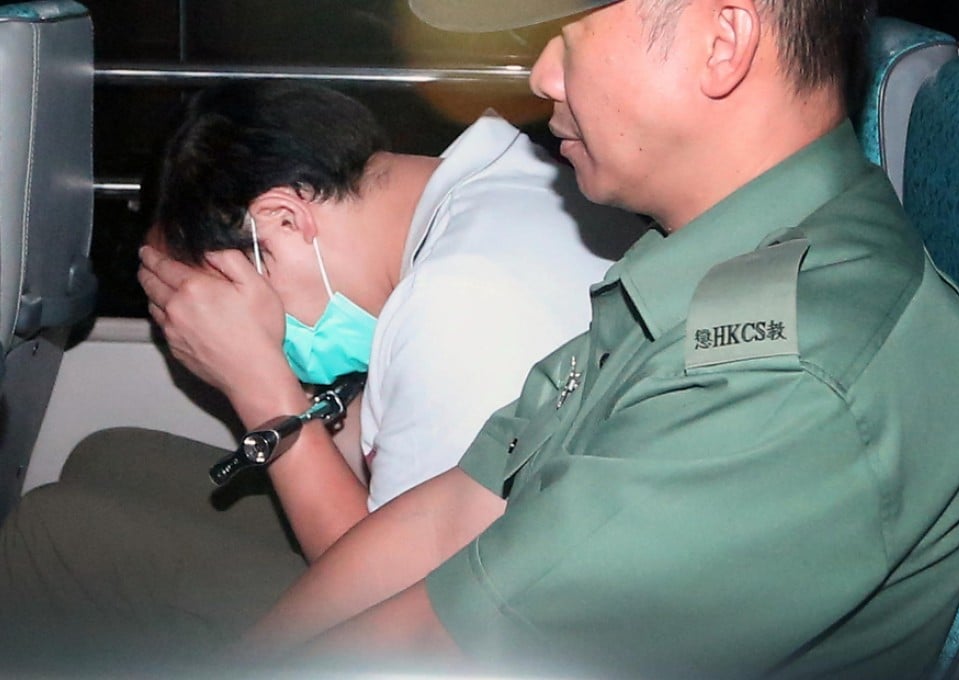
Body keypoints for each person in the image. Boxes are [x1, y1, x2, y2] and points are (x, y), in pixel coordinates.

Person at [227, 1, 959, 678]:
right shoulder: (720, 259)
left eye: (571, 33)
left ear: (723, 40)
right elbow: (456, 511)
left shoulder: (794, 377)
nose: (541, 76)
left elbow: (446, 648)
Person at [0, 81, 645, 670]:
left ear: (283, 221)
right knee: (108, 457)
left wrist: (260, 385)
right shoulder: (498, 183)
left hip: (478, 639)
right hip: (493, 565)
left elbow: (401, 596)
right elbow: (383, 457)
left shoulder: (460, 302)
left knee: (52, 532)